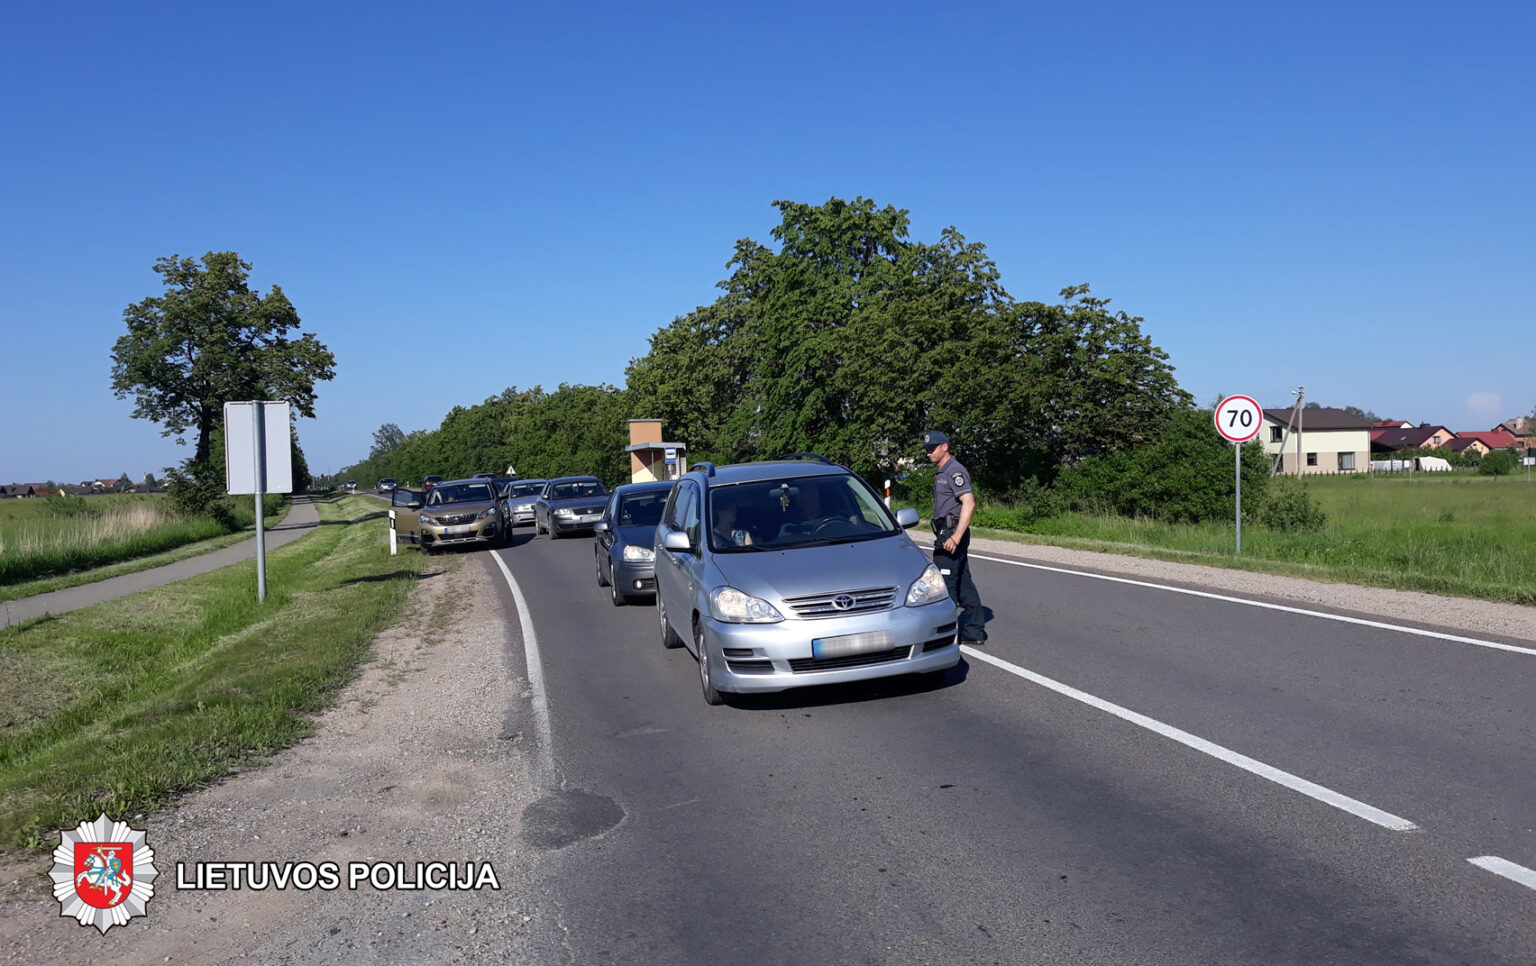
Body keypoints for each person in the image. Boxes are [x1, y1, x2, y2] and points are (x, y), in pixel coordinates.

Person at [923, 430, 987, 644]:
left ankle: (946, 635)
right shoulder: (943, 471)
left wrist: (956, 536)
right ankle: (975, 630)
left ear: (945, 447)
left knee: (945, 585)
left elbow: (969, 503)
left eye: (932, 449)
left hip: (950, 534)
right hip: (946, 532)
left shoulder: (954, 471)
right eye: (927, 450)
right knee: (963, 582)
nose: (929, 453)